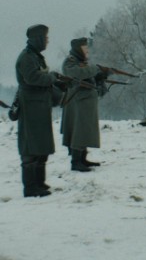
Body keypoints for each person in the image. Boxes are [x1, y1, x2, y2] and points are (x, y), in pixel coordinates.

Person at [16, 24, 60, 197]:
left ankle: (39, 182)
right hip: (30, 107)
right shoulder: (26, 57)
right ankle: (30, 187)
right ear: (38, 39)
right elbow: (33, 78)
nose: (48, 41)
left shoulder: (35, 56)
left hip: (39, 106)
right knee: (30, 148)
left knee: (41, 146)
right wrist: (52, 78)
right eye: (45, 37)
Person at [60, 37, 110, 172]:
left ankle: (83, 158)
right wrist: (95, 69)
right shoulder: (70, 62)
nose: (87, 50)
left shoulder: (82, 62)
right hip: (77, 102)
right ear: (78, 49)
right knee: (79, 131)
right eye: (84, 47)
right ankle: (76, 161)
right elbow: (77, 73)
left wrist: (100, 77)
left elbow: (88, 75)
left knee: (85, 130)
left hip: (85, 102)